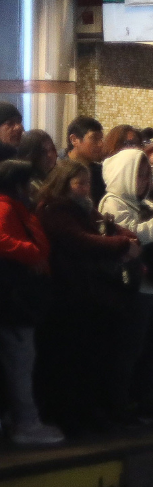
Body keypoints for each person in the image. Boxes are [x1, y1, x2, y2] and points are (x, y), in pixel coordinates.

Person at [35, 158, 140, 431]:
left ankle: (90, 410)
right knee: (71, 360)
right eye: (79, 183)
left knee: (91, 358)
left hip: (88, 295)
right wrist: (122, 245)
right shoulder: (55, 210)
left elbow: (109, 226)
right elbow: (81, 240)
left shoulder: (83, 208)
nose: (85, 189)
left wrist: (127, 238)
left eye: (87, 183)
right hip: (68, 294)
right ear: (64, 184)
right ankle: (70, 415)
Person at [99, 147, 153, 421]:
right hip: (135, 287)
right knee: (130, 351)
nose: (144, 181)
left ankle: (145, 401)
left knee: (151, 351)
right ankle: (120, 406)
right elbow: (131, 236)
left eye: (147, 175)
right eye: (138, 175)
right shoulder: (112, 203)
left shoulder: (147, 205)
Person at [0, 160, 66, 445]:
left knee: (19, 362)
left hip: (20, 300)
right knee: (19, 362)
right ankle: (25, 423)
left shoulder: (17, 209)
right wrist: (31, 253)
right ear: (18, 185)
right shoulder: (4, 207)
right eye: (29, 184)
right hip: (13, 302)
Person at [65, 116, 107, 206]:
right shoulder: (58, 168)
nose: (100, 144)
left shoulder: (100, 171)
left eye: (101, 139)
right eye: (94, 138)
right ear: (74, 140)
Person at [17, 129, 56, 195]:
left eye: (52, 149)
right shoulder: (28, 186)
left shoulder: (57, 176)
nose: (50, 155)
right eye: (43, 152)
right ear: (30, 155)